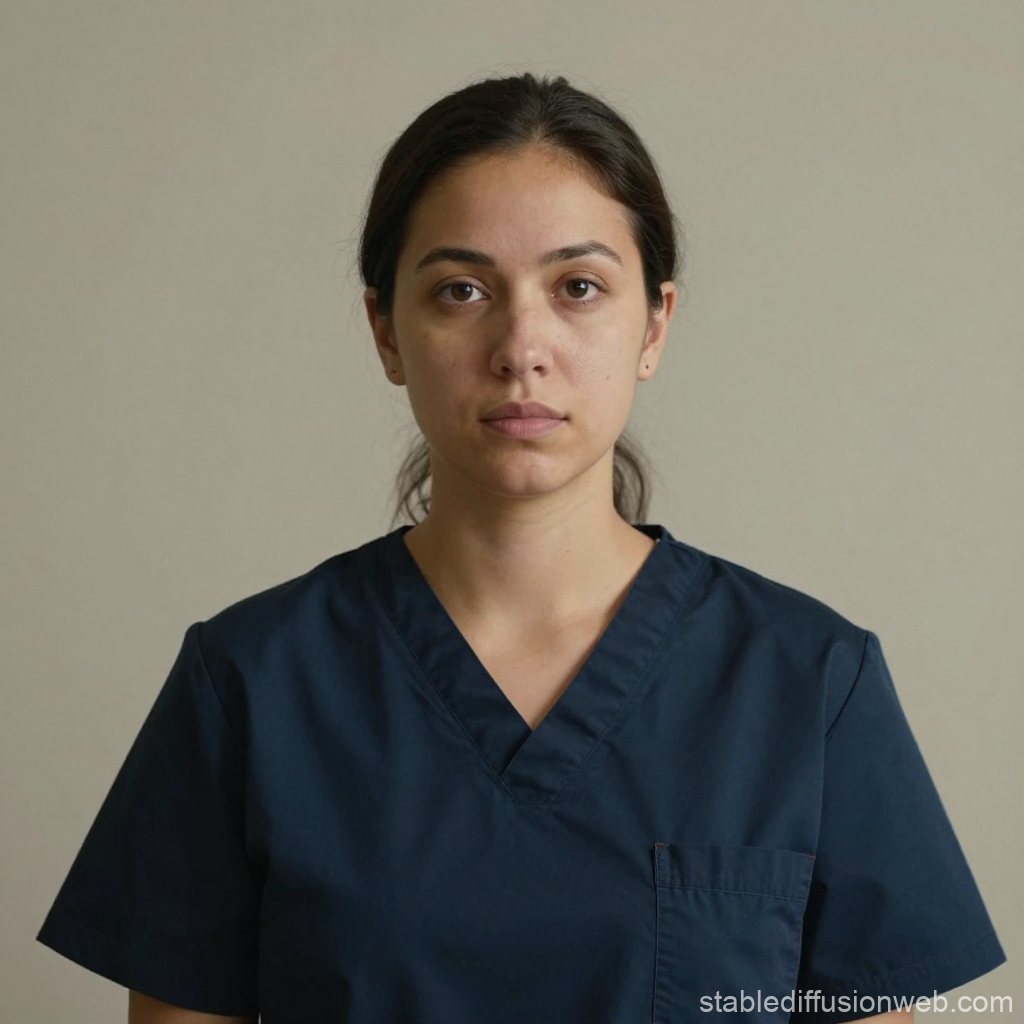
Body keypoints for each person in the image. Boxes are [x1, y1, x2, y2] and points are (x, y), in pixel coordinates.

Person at [36, 71, 1005, 1024]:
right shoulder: (250, 682)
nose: (521, 345)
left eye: (578, 286)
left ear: (654, 324)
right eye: (460, 290)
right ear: (384, 329)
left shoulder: (807, 680)